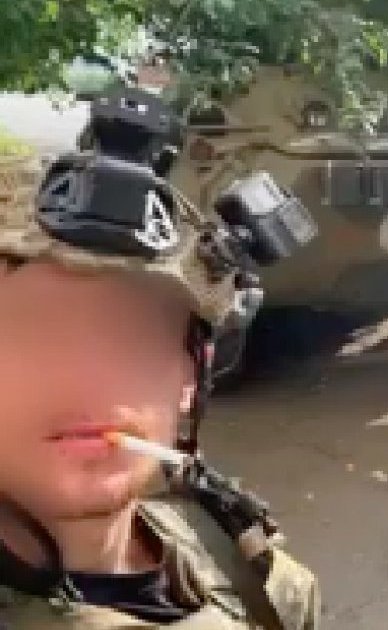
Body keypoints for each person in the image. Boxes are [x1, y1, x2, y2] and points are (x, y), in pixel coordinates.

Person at [0, 149, 319, 626]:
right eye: (31, 329)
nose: (89, 376)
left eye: (134, 333)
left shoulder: (237, 560)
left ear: (189, 378)